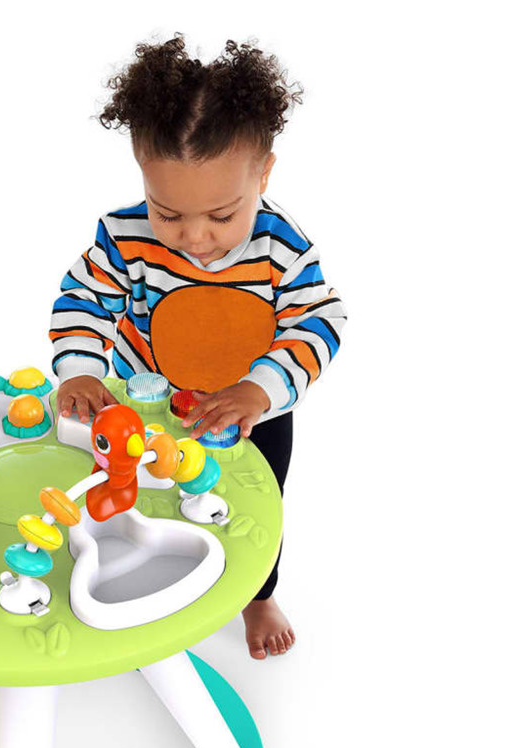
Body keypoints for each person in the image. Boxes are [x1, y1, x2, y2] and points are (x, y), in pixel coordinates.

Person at [49, 34, 346, 659]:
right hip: (149, 404)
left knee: (258, 508)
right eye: (168, 214)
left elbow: (320, 320)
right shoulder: (123, 235)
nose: (194, 238)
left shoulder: (281, 247)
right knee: (146, 489)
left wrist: (259, 390)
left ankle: (259, 595)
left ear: (263, 173)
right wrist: (79, 370)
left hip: (252, 414)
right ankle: (146, 567)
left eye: (221, 216)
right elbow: (85, 297)